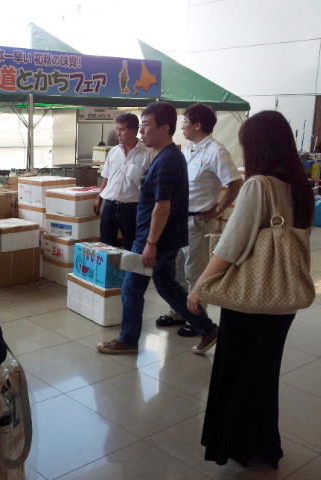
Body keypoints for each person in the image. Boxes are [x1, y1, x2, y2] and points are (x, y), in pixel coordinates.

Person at [187, 110, 314, 468]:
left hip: (252, 297)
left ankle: (234, 445)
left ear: (259, 146)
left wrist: (199, 285)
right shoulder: (299, 185)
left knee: (236, 372)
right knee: (263, 375)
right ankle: (263, 445)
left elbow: (231, 245)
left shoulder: (259, 185)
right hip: (282, 296)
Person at [96, 101, 218, 355]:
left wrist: (150, 243)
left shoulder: (167, 160)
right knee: (166, 285)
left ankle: (128, 340)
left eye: (146, 126)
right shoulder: (166, 156)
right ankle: (208, 329)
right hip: (163, 237)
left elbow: (162, 206)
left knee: (131, 288)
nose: (141, 132)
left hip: (155, 238)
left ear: (164, 128)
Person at [156, 103, 243, 336]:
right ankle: (178, 312)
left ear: (198, 125)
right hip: (178, 220)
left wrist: (219, 209)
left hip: (197, 221)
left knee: (195, 272)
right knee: (177, 270)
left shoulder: (216, 151)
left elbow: (235, 182)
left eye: (185, 122)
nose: (182, 126)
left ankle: (197, 319)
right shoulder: (189, 148)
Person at [93, 113, 153, 251]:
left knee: (131, 246)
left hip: (132, 208)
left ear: (134, 131)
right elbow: (107, 177)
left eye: (122, 130)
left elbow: (151, 187)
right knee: (105, 246)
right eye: (117, 129)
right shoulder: (113, 152)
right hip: (110, 206)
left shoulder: (147, 154)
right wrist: (99, 199)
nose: (118, 134)